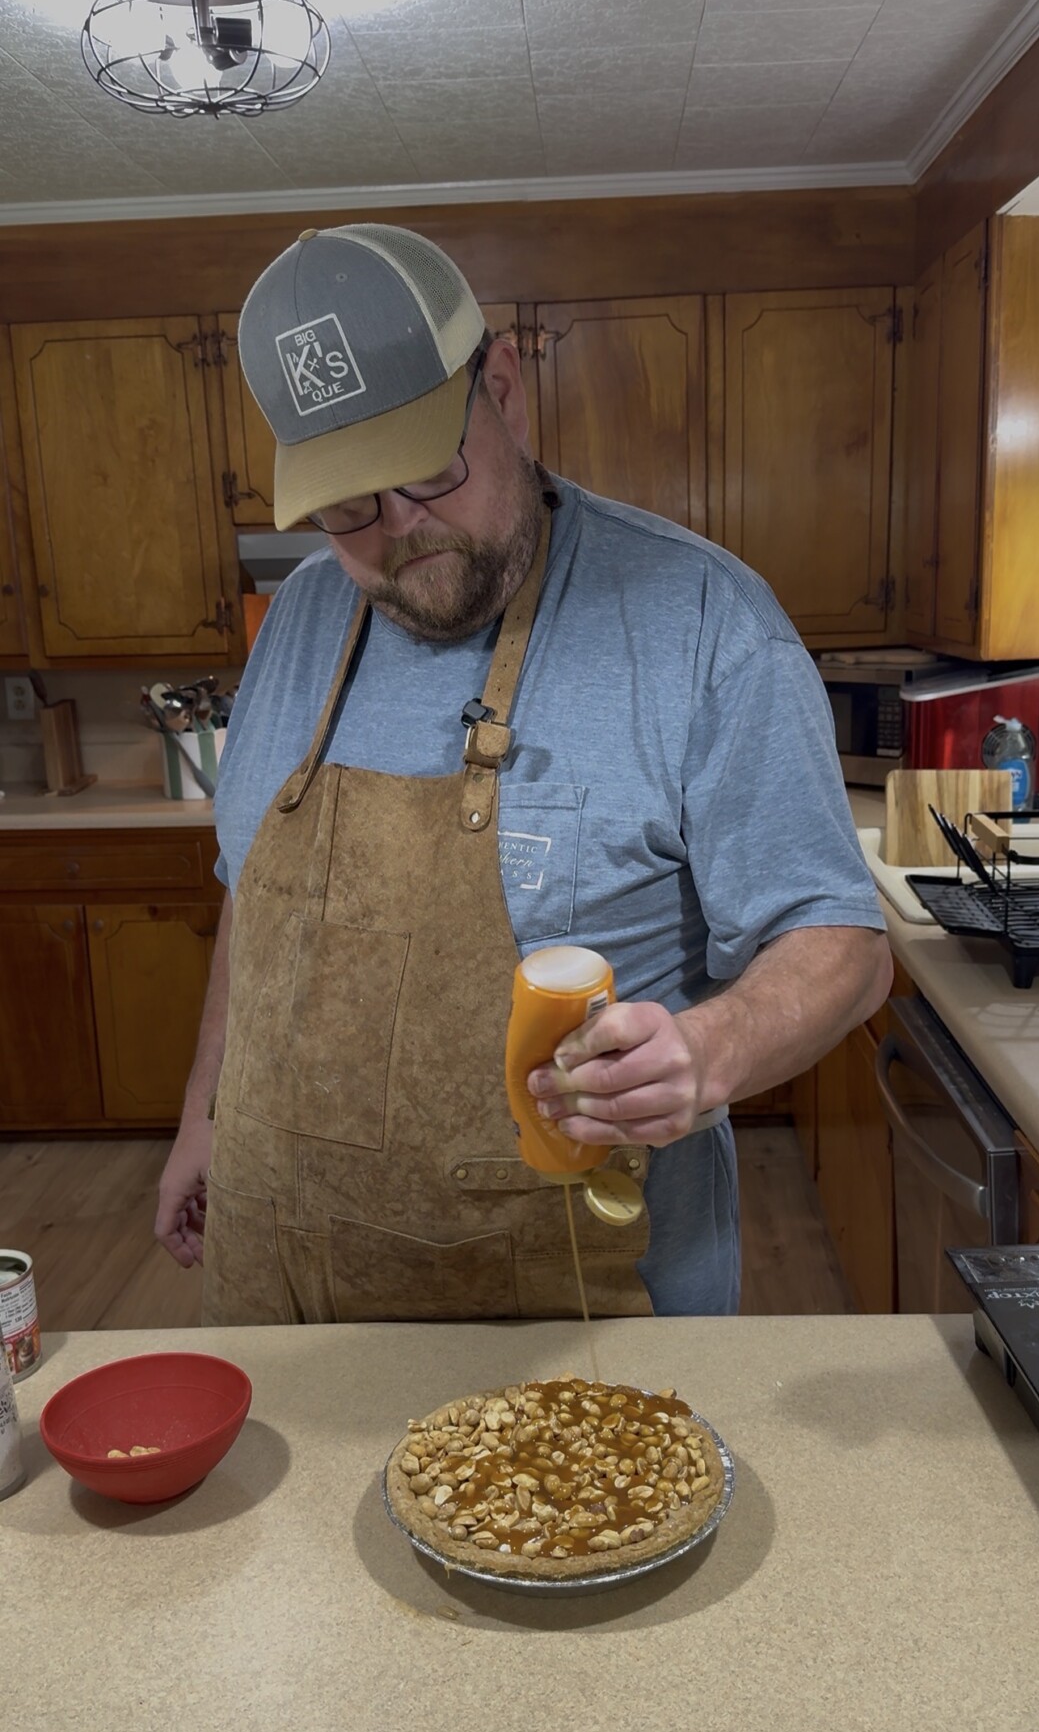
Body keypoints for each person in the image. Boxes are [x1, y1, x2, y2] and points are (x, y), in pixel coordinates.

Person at [154, 222, 892, 1323]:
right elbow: (251, 904)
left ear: (501, 386)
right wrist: (202, 1118)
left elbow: (842, 946)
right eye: (350, 508)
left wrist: (709, 1049)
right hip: (288, 1289)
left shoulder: (702, 622)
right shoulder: (301, 619)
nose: (403, 534)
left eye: (425, 476)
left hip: (571, 1309)